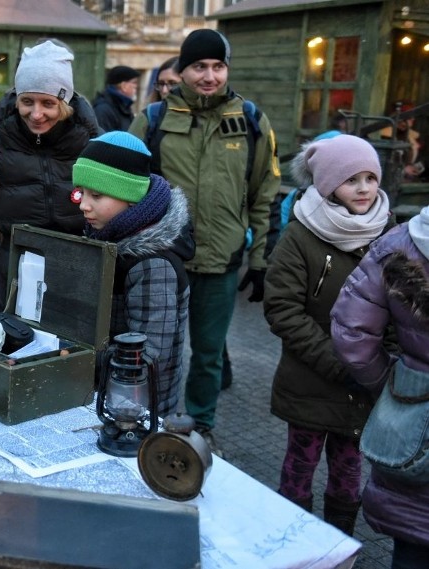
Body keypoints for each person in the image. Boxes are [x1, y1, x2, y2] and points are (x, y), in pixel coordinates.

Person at [128, 29, 281, 449]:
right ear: (183, 70)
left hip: (221, 259)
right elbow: (129, 187)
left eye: (218, 66)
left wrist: (261, 257)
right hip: (163, 259)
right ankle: (149, 418)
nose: (209, 75)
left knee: (209, 353)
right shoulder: (154, 119)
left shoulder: (250, 120)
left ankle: (200, 424)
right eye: (199, 66)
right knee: (155, 349)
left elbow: (263, 192)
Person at [264, 135, 393, 535]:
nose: (364, 188)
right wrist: (338, 361)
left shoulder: (390, 232)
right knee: (299, 466)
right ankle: (293, 542)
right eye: (351, 179)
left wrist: (381, 359)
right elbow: (283, 309)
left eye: (371, 178)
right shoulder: (300, 235)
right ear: (326, 185)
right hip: (311, 378)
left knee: (349, 469)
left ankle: (341, 542)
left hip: (364, 384)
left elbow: (403, 306)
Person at [0, 40, 101, 313]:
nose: (36, 114)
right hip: (11, 279)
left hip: (79, 278)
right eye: (27, 101)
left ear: (65, 103)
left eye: (48, 103)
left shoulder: (94, 146)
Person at [331, 206, 429, 568]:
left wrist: (391, 383)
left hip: (415, 409)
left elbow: (351, 333)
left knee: (413, 547)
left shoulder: (399, 244)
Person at [74, 131, 194, 415]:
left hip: (138, 406)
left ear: (130, 198)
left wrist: (82, 358)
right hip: (112, 393)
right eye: (81, 192)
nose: (83, 205)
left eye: (96, 195)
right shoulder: (110, 237)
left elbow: (150, 354)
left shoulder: (152, 265)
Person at [379, 101, 424, 182]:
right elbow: (384, 161)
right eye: (410, 117)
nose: (413, 119)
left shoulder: (410, 135)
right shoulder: (386, 134)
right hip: (390, 179)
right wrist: (403, 169)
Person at [92, 65, 141, 132]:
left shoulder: (123, 107)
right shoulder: (103, 109)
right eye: (134, 82)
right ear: (124, 86)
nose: (136, 86)